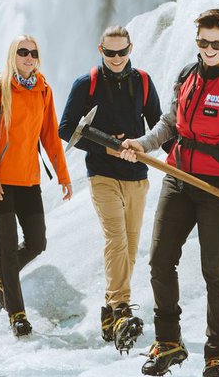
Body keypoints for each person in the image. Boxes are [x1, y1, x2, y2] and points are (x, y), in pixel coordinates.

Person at [120, 8, 219, 377]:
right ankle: (169, 342)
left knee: (215, 271)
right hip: (177, 179)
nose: (208, 49)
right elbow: (169, 124)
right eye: (202, 42)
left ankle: (217, 351)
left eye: (216, 43)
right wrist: (142, 144)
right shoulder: (187, 77)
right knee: (160, 260)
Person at [58, 24, 162, 350]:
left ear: (131, 48)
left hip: (137, 178)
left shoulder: (143, 82)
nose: (116, 58)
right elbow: (66, 128)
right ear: (99, 50)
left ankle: (109, 312)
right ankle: (120, 310)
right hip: (102, 175)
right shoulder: (86, 84)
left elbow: (159, 125)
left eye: (122, 51)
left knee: (130, 248)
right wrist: (106, 145)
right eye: (110, 52)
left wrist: (142, 145)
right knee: (116, 239)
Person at [0, 34, 72, 339]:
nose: (29, 57)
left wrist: (63, 175)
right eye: (23, 52)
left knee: (37, 242)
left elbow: (50, 137)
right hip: (0, 181)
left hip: (29, 179)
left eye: (33, 53)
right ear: (12, 56)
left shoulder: (43, 90)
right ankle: (17, 315)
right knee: (7, 243)